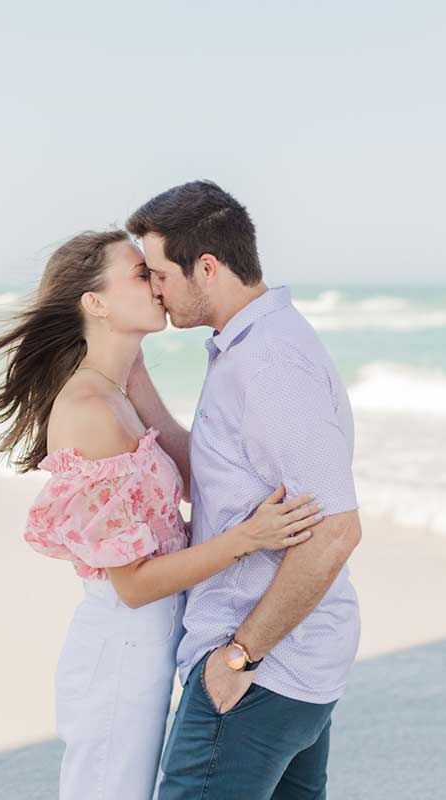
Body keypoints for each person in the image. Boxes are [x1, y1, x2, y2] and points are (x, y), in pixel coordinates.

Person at [0, 229, 322, 800]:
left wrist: (138, 374)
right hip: (121, 651)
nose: (157, 281)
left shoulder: (115, 393)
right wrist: (248, 538)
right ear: (95, 303)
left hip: (151, 645)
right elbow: (134, 584)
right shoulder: (90, 411)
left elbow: (200, 482)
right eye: (139, 274)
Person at [125, 180, 362, 799]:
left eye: (159, 274)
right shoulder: (249, 347)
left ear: (207, 267)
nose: (154, 289)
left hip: (260, 673)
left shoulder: (270, 365)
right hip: (289, 667)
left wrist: (239, 656)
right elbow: (216, 473)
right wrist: (135, 379)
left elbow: (336, 530)